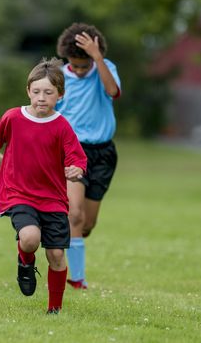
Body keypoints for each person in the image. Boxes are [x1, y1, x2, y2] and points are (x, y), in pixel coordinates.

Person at [0, 58, 87, 314]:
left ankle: (54, 310)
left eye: (48, 92)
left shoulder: (62, 126)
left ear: (60, 95)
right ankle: (25, 261)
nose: (41, 98)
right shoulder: (13, 117)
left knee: (57, 255)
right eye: (36, 92)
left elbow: (77, 158)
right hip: (18, 193)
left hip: (54, 199)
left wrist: (76, 168)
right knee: (30, 238)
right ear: (28, 91)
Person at [55, 23, 121, 290]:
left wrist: (97, 58)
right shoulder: (58, 77)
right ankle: (76, 279)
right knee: (75, 215)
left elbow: (113, 92)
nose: (80, 71)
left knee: (87, 224)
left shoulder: (105, 68)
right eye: (75, 66)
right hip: (72, 152)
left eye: (85, 66)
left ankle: (65, 241)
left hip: (103, 153)